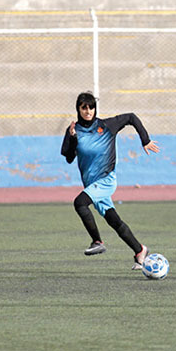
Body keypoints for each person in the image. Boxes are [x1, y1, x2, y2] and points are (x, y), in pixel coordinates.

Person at [61, 92, 159, 270]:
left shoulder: (106, 126)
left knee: (80, 203)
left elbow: (131, 117)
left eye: (91, 107)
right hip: (92, 185)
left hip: (106, 180)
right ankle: (139, 250)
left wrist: (145, 140)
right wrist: (73, 138)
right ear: (78, 109)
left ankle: (97, 241)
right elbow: (68, 158)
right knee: (114, 220)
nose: (88, 111)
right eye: (84, 107)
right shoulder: (73, 131)